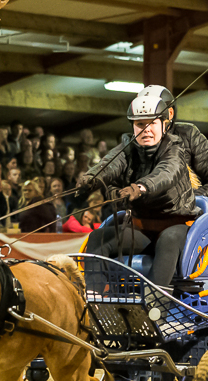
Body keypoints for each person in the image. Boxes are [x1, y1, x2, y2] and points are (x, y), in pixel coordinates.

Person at [80, 86, 197, 288]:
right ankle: (94, 301)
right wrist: (92, 177)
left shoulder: (175, 150)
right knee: (98, 237)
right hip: (141, 230)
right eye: (140, 124)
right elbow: (111, 164)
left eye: (152, 123)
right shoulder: (127, 148)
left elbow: (166, 173)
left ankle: (152, 304)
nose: (146, 130)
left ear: (164, 125)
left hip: (176, 228)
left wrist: (141, 187)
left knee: (169, 238)